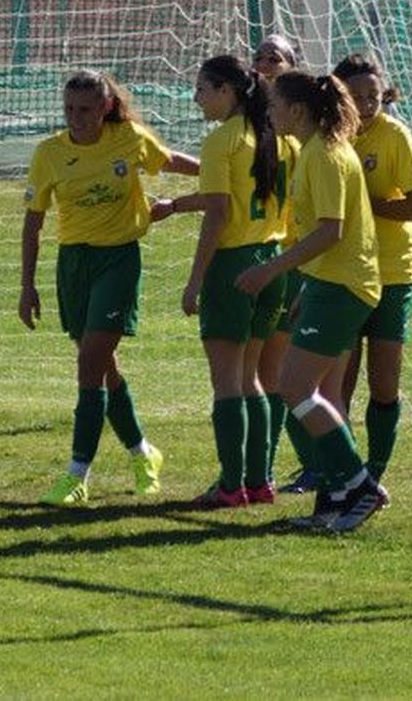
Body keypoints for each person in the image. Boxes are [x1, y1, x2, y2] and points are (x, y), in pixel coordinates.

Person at [20, 69, 199, 506]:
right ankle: (143, 452)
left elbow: (170, 160)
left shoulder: (129, 138)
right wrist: (27, 285)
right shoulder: (49, 154)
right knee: (102, 365)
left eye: (84, 110)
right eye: (68, 110)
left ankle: (77, 474)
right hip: (74, 264)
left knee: (89, 364)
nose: (75, 118)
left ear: (104, 108)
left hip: (119, 260)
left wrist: (227, 173)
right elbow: (33, 220)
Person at [234, 71, 387, 533]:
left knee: (295, 388)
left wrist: (270, 270)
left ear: (297, 110)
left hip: (344, 287)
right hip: (329, 285)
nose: (270, 112)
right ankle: (335, 499)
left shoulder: (323, 154)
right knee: (314, 392)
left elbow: (330, 230)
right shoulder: (313, 151)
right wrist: (304, 289)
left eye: (276, 105)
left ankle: (360, 485)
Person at [154, 55, 292, 508]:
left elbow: (220, 213)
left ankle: (231, 486)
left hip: (234, 266)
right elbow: (227, 199)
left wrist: (195, 281)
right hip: (272, 262)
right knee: (252, 378)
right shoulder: (276, 138)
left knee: (228, 382)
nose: (196, 98)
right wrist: (175, 204)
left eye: (201, 89)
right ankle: (260, 481)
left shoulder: (222, 141)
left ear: (227, 91)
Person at [329, 54, 412, 483]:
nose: (368, 103)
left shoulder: (395, 136)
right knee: (337, 384)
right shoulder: (330, 139)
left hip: (391, 273)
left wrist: (366, 206)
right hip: (344, 273)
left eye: (374, 95)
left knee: (384, 384)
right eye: (358, 96)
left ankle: (376, 470)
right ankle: (340, 472)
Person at [252, 34, 317, 494]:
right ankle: (275, 466)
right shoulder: (251, 125)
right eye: (260, 56)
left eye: (276, 57)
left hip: (298, 258)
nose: (266, 62)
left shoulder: (302, 137)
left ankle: (314, 465)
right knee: (268, 372)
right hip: (272, 255)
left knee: (284, 374)